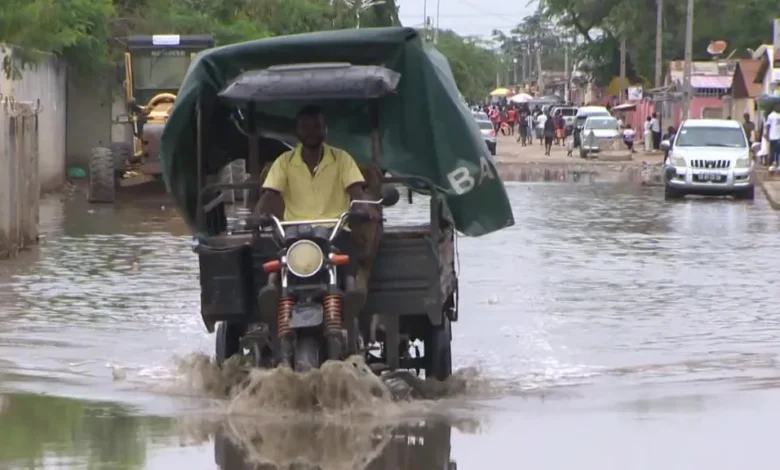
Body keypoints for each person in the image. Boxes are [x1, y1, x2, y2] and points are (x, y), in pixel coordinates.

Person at [252, 105, 377, 304]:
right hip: (293, 231)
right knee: (277, 259)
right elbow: (270, 193)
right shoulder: (284, 162)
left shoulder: (342, 159)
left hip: (334, 230)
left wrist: (361, 208)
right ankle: (272, 293)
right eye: (305, 127)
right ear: (297, 132)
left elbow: (356, 192)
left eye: (316, 126)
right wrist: (258, 214)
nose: (311, 132)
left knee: (349, 260)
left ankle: (352, 298)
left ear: (325, 130)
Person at [766, 105, 780, 171]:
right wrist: (767, 134)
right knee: (773, 151)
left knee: (778, 151)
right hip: (773, 136)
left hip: (779, 137)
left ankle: (777, 164)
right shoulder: (771, 115)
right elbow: (768, 125)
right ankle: (773, 163)